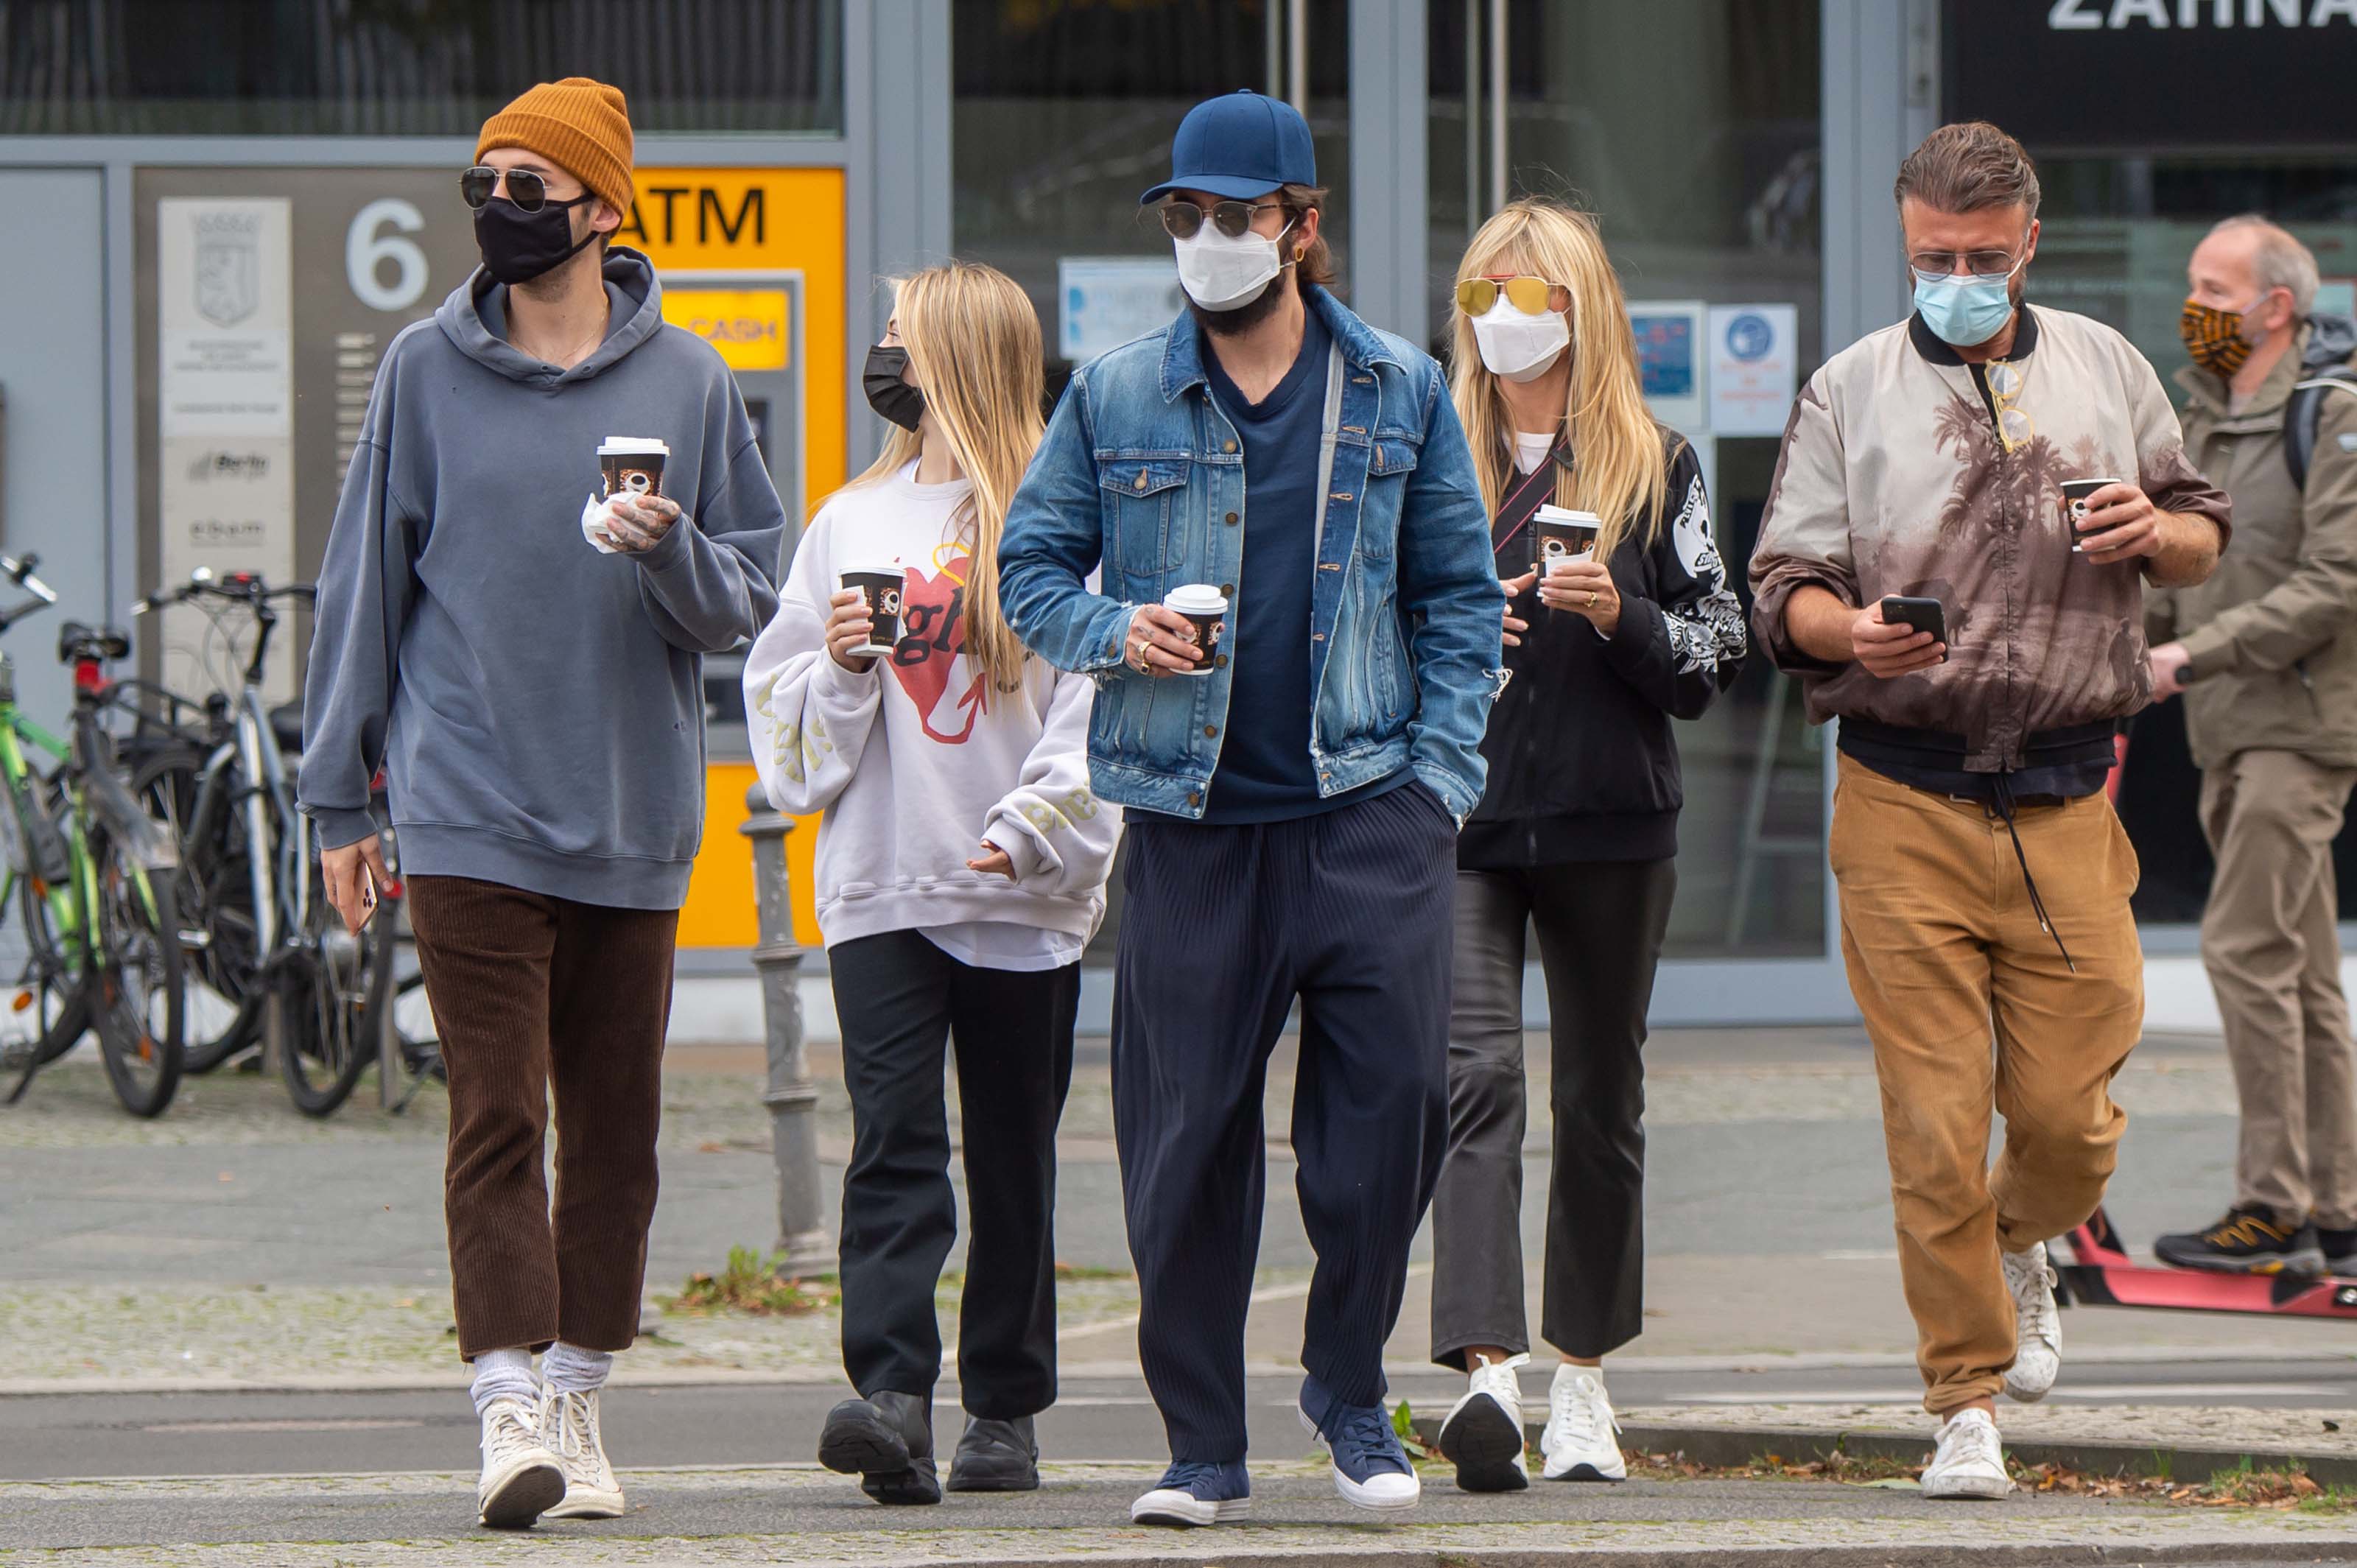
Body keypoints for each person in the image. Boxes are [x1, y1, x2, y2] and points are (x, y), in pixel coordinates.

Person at [995, 90, 1500, 1526]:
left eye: (1235, 217)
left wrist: (1436, 784)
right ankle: (1201, 1447)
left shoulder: (1398, 389)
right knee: (1181, 1144)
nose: (1208, 241)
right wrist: (1117, 632)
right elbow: (1030, 572)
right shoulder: (1116, 392)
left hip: (1368, 815)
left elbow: (1459, 604)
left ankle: (1346, 1390)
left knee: (1384, 1124)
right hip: (1193, 827)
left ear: (1300, 225)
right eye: (1185, 218)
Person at [300, 78, 785, 1529]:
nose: (501, 208)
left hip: (633, 813)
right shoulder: (420, 371)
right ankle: (505, 1399)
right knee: (497, 1112)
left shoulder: (689, 383)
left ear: (603, 207)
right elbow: (361, 590)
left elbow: (749, 598)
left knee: (619, 1128)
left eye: (531, 184)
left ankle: (580, 1390)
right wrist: (340, 801)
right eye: (485, 182)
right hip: (464, 807)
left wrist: (669, 547)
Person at [1749, 122, 2230, 1501]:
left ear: (2028, 241)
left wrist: (2157, 529)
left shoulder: (2107, 366)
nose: (1952, 277)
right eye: (1928, 258)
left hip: (2073, 795)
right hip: (1901, 797)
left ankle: (2028, 1236)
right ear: (1906, 243)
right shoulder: (1848, 389)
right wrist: (1852, 634)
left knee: (2071, 1117)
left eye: (1977, 256)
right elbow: (1780, 587)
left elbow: (2202, 528)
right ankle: (1962, 1400)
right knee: (1931, 1117)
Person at [743, 261, 1120, 1504]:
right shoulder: (848, 521)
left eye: (899, 334)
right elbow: (790, 739)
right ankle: (892, 1397)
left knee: (1014, 1153)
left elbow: (1097, 706)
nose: (882, 354)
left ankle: (1005, 1407)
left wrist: (1030, 829)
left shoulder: (1065, 519)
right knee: (895, 1143)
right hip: (885, 884)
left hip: (1021, 891)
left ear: (956, 353)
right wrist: (845, 669)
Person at [1427, 200, 1746, 1494]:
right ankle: (1485, 1374)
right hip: (1460, 821)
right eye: (1483, 291)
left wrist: (1622, 615)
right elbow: (1363, 637)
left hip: (1617, 827)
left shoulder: (1653, 463)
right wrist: (1463, 634)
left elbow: (1717, 647)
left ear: (1581, 304)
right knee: (1474, 1083)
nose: (1503, 313)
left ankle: (1585, 1383)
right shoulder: (1433, 459)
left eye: (1529, 289)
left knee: (1600, 1104)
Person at [2148, 217, 2357, 1279]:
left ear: (2277, 306)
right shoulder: (2209, 420)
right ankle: (2341, 1203)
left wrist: (2186, 657)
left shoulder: (2332, 417)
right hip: (2231, 732)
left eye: (2215, 288)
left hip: (2298, 731)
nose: (2197, 306)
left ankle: (2271, 1204)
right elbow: (2187, 571)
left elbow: (2335, 583)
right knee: (2306, 971)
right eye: (2193, 284)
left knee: (2241, 950)